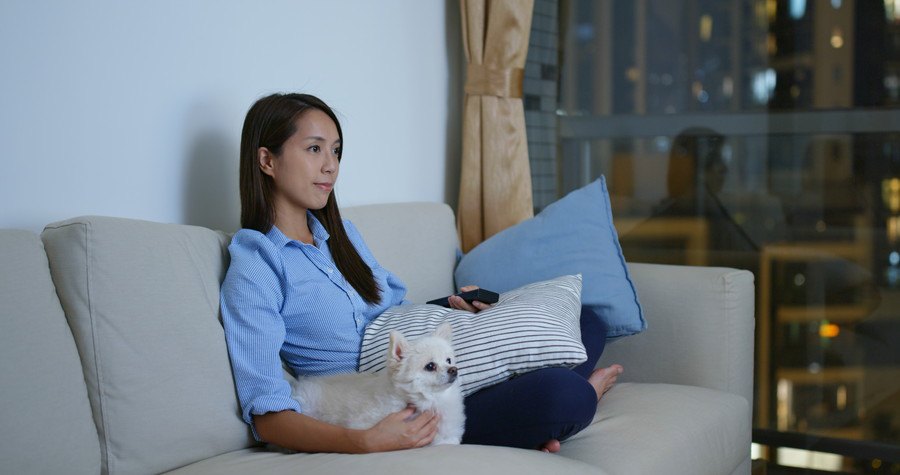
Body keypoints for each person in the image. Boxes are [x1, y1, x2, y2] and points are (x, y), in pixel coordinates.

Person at [220, 92, 623, 454]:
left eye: (337, 151)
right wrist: (361, 441)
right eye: (314, 149)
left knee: (584, 316)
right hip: (389, 398)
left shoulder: (340, 236)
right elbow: (268, 416)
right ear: (267, 160)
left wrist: (452, 308)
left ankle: (536, 413)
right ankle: (567, 400)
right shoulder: (257, 266)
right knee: (565, 395)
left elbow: (393, 312)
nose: (331, 166)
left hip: (423, 359)